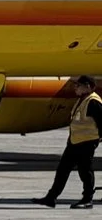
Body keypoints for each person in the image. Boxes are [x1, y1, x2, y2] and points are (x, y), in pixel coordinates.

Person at [41, 75, 100, 208]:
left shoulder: (93, 102)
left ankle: (87, 199)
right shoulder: (82, 100)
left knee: (85, 171)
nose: (75, 88)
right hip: (74, 142)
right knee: (63, 169)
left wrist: (96, 140)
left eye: (78, 85)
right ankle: (51, 198)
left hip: (87, 142)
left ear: (88, 87)